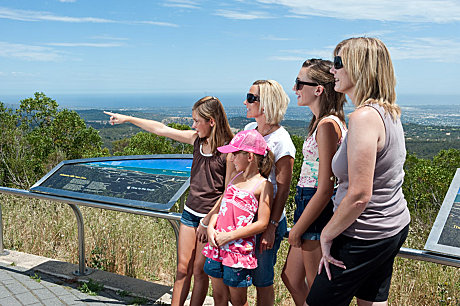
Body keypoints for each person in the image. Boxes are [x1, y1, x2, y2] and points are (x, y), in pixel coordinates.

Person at [306, 37, 411, 306]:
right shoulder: (388, 112)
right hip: (391, 227)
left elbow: (360, 195)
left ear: (360, 68)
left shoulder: (363, 118)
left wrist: (328, 234)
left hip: (362, 235)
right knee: (371, 301)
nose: (333, 71)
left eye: (338, 63)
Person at [104, 96, 234, 306]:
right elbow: (161, 129)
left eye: (196, 121)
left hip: (209, 220)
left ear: (211, 121)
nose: (193, 125)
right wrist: (128, 119)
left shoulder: (228, 151)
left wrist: (208, 221)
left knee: (199, 272)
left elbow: (228, 191)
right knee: (183, 268)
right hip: (190, 213)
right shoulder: (196, 140)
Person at [281, 59, 347, 305]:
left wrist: (298, 228)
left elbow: (325, 187)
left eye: (299, 83)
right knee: (291, 277)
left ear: (318, 89)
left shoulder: (327, 125)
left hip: (315, 208)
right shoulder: (322, 123)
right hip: (307, 203)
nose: (295, 88)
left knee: (315, 288)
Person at [202, 129, 275, 306]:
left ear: (250, 156)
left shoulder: (263, 185)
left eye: (235, 154)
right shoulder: (234, 178)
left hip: (237, 253)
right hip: (217, 246)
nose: (232, 159)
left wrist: (230, 236)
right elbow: (222, 208)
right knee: (218, 297)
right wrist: (211, 226)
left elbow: (262, 223)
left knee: (238, 301)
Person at [244, 80, 296, 305]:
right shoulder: (248, 131)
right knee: (241, 277)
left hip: (266, 222)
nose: (245, 102)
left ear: (265, 105)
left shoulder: (282, 142)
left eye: (251, 98)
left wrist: (271, 227)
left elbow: (283, 188)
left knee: (262, 281)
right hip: (245, 218)